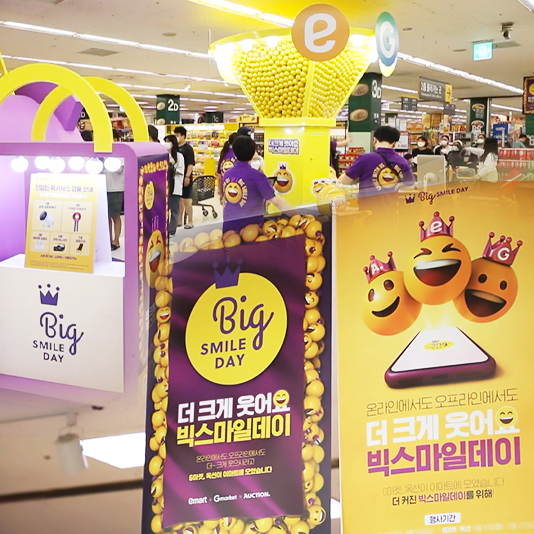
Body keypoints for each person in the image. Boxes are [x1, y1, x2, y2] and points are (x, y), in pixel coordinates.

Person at [222, 135, 293, 232]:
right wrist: (295, 215)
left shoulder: (227, 174)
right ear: (253, 153)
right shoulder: (257, 175)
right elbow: (276, 201)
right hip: (250, 228)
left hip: (229, 226)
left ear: (234, 152)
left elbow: (225, 201)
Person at [339, 126, 415, 193]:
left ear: (374, 140)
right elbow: (410, 186)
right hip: (392, 204)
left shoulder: (364, 159)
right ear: (394, 143)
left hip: (367, 204)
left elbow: (345, 181)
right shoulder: (403, 162)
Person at [174, 126, 195, 229]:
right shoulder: (175, 148)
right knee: (179, 200)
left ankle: (190, 220)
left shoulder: (188, 149)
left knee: (186, 199)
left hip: (185, 177)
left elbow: (190, 164)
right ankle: (179, 221)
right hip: (177, 178)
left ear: (183, 136)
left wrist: (187, 176)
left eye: (178, 135)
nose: (176, 137)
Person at [164, 135, 185, 236]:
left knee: (174, 210)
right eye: (165, 141)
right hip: (165, 187)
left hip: (175, 187)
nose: (167, 143)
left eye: (168, 141)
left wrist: (172, 166)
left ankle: (172, 230)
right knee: (164, 210)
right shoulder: (164, 155)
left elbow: (180, 171)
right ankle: (164, 229)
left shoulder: (179, 156)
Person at [105, 161, 124, 251]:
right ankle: (108, 240)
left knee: (115, 216)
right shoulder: (98, 156)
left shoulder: (119, 156)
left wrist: (109, 163)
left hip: (115, 189)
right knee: (106, 218)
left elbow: (120, 170)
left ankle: (116, 241)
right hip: (102, 187)